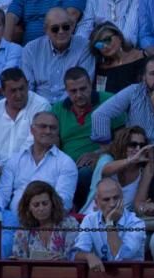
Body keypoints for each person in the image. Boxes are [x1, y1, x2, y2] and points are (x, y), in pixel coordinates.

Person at [54, 67, 119, 208]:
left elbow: (123, 139)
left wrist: (99, 153)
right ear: (66, 91)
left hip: (97, 163)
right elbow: (53, 145)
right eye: (73, 91)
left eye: (83, 89)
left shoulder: (109, 101)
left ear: (91, 85)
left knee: (83, 174)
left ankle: (83, 212)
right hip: (66, 164)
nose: (78, 95)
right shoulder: (57, 109)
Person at [0, 111, 78, 213]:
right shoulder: (15, 160)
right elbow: (2, 194)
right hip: (13, 222)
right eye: (43, 126)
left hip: (48, 223)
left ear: (58, 132)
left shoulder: (66, 163)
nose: (48, 131)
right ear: (32, 130)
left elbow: (64, 201)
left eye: (53, 128)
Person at [20, 8, 95, 103]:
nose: (61, 31)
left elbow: (84, 86)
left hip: (72, 105)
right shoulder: (31, 49)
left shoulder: (84, 47)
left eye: (65, 27)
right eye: (55, 29)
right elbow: (28, 88)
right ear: (46, 30)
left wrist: (58, 109)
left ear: (72, 26)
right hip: (39, 107)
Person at [72, 177, 146, 272]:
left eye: (116, 198)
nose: (112, 204)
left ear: (122, 197)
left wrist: (110, 224)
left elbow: (122, 258)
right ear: (96, 203)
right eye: (106, 200)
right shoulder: (89, 220)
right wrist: (88, 256)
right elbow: (75, 254)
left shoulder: (136, 223)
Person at [0, 67, 51, 165]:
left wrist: (8, 170)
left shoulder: (41, 106)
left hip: (29, 167)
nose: (19, 95)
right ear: (3, 92)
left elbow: (32, 145)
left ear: (27, 85)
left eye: (21, 89)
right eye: (13, 91)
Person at [83, 126, 148, 212]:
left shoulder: (142, 170)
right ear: (122, 144)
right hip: (93, 217)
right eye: (133, 145)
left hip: (123, 221)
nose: (138, 149)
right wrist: (131, 160)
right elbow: (105, 170)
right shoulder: (107, 158)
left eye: (142, 146)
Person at [11, 180, 80, 259]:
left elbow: (74, 255)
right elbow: (18, 260)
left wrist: (63, 259)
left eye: (45, 203)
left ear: (53, 203)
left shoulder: (69, 224)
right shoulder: (23, 230)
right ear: (28, 207)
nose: (41, 208)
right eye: (36, 205)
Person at [90, 21, 146, 95]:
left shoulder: (143, 57)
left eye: (107, 40)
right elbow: (101, 94)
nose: (105, 46)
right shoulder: (101, 70)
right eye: (99, 44)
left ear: (119, 37)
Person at [6, 0, 87, 45]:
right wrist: (5, 46)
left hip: (59, 45)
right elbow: (11, 16)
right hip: (29, 48)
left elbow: (71, 16)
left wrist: (46, 48)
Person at [77, 0, 144, 45]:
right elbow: (85, 27)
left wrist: (106, 44)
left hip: (126, 49)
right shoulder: (94, 1)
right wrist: (78, 46)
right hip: (101, 48)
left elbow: (129, 37)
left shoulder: (134, 1)